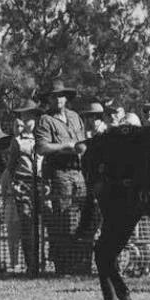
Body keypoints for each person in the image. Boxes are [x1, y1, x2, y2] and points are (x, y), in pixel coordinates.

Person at [35, 79, 91, 275]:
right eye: (54, 95)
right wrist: (65, 147)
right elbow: (42, 147)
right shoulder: (45, 120)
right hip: (59, 174)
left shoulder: (75, 117)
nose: (58, 99)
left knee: (84, 219)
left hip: (79, 173)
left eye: (61, 95)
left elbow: (82, 141)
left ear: (66, 97)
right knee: (64, 221)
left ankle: (82, 266)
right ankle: (64, 267)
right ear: (49, 99)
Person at [1, 99, 43, 274]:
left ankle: (46, 262)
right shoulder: (17, 141)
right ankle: (31, 265)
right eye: (23, 118)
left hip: (42, 183)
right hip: (23, 183)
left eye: (29, 118)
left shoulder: (44, 137)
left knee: (45, 224)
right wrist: (9, 187)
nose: (27, 122)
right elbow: (11, 166)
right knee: (27, 224)